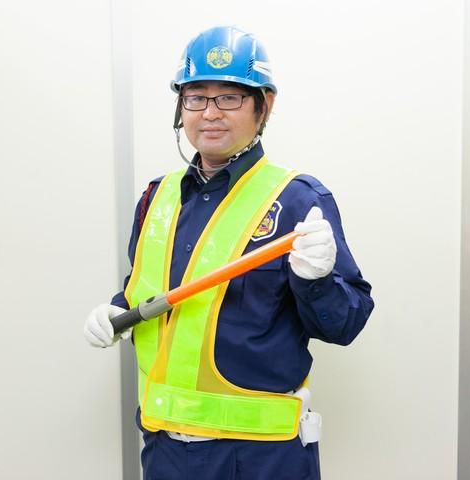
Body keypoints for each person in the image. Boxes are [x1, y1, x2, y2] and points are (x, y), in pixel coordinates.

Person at [84, 25, 374, 480]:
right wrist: (118, 310)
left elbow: (344, 325)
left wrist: (317, 281)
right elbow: (147, 289)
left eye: (229, 97)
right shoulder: (156, 198)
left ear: (264, 106)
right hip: (164, 452)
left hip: (261, 458)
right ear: (181, 107)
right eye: (196, 97)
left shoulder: (297, 200)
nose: (210, 113)